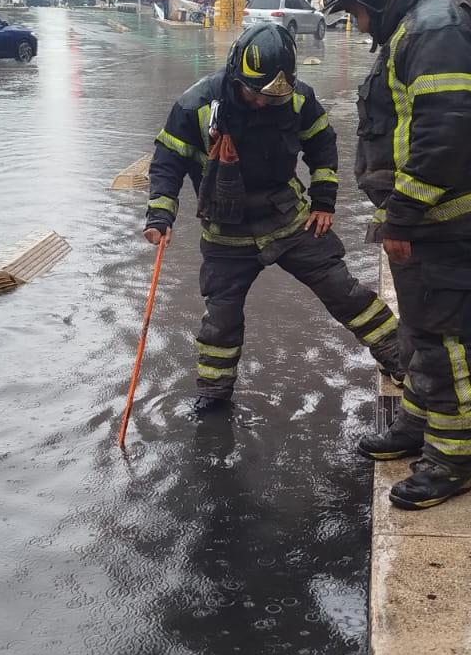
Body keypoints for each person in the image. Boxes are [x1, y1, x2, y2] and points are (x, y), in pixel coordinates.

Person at [318, 0, 471, 510]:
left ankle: (450, 463)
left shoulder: (435, 26)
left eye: (355, 10)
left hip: (453, 219)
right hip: (440, 216)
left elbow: (442, 133)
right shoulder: (424, 20)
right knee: (420, 331)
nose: (356, 24)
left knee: (449, 342)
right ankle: (417, 427)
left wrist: (404, 219)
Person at [143, 21, 402, 410]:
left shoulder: (297, 99)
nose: (263, 102)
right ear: (236, 74)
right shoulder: (195, 106)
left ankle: (400, 357)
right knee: (221, 321)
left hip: (288, 219)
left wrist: (324, 201)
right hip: (225, 232)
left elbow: (323, 144)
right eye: (255, 93)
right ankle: (213, 397)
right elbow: (167, 161)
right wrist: (160, 215)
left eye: (271, 95)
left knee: (343, 291)